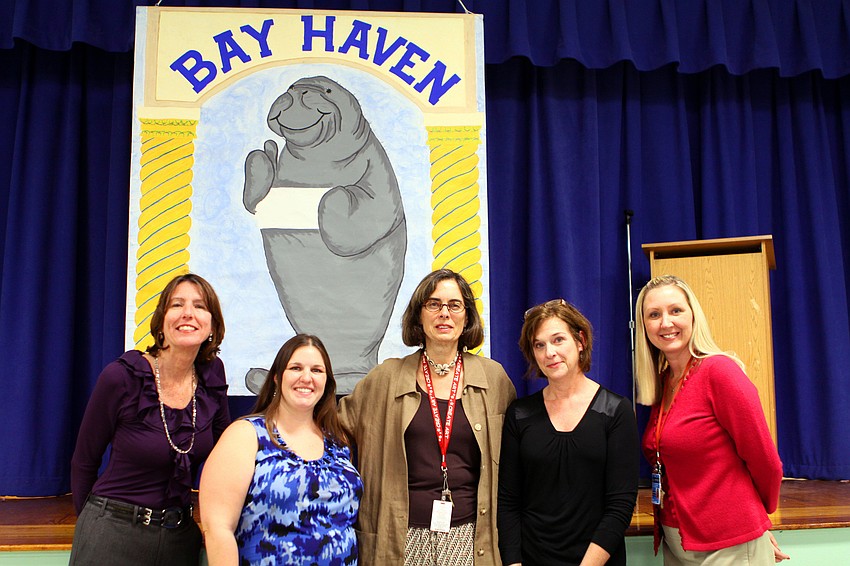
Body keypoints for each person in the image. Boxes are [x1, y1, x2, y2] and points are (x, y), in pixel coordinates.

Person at [339, 268, 517, 565]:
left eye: (454, 305)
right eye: (433, 304)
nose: (444, 313)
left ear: (467, 317)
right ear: (418, 316)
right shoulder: (386, 378)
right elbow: (334, 431)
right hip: (399, 538)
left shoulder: (493, 378)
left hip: (470, 537)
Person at [69, 273, 230, 565]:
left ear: (212, 325)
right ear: (161, 321)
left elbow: (226, 456)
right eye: (176, 305)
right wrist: (92, 529)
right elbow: (84, 461)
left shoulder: (213, 375)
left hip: (179, 538)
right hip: (113, 532)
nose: (188, 314)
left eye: (200, 306)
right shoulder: (122, 377)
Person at [635, 275, 788, 565]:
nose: (665, 323)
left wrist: (756, 522)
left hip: (727, 541)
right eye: (654, 315)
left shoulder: (720, 372)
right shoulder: (664, 381)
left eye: (675, 310)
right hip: (677, 539)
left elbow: (765, 460)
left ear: (694, 315)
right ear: (644, 326)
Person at [498, 299, 639, 566]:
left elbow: (620, 505)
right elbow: (508, 502)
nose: (549, 352)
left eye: (558, 339)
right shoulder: (519, 414)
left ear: (580, 341)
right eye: (539, 345)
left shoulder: (615, 411)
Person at [200, 334, 362, 565]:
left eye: (317, 370)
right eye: (296, 368)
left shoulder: (338, 442)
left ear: (327, 382)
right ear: (276, 377)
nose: (306, 378)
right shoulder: (247, 435)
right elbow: (218, 528)